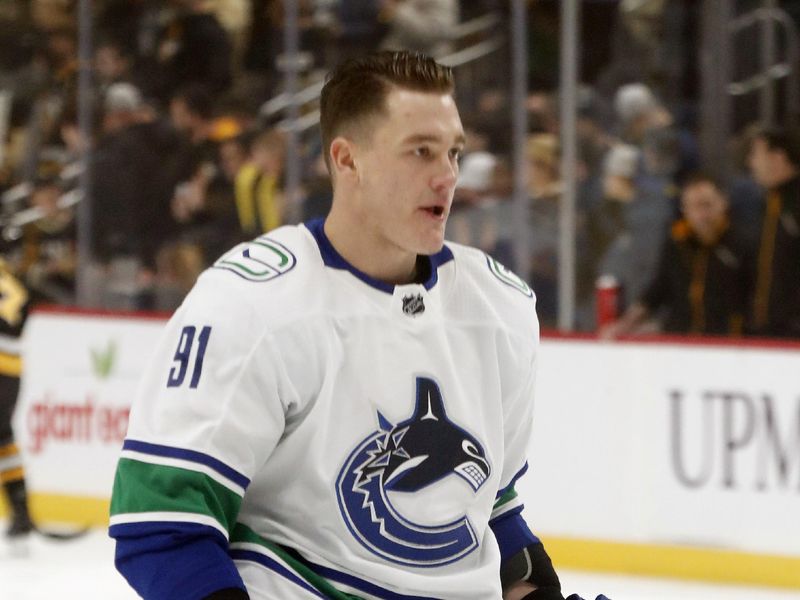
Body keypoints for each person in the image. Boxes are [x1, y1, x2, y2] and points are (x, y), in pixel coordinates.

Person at [109, 51, 584, 600]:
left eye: (454, 151)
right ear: (347, 159)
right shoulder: (253, 304)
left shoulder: (498, 308)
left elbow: (495, 514)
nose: (447, 175)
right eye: (421, 152)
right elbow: (163, 526)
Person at [601, 173, 752, 338]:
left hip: (728, 346)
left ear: (723, 203)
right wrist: (625, 325)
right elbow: (657, 289)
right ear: (685, 210)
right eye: (693, 207)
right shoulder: (678, 241)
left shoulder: (742, 245)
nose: (701, 215)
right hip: (680, 344)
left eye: (707, 205)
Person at [746, 126, 800, 338]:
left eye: (755, 154)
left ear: (777, 157)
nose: (750, 163)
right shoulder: (767, 203)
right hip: (767, 330)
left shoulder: (793, 204)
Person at [0, 259, 32, 542]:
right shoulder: (11, 275)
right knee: (3, 439)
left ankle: (22, 512)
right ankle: (21, 511)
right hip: (10, 373)